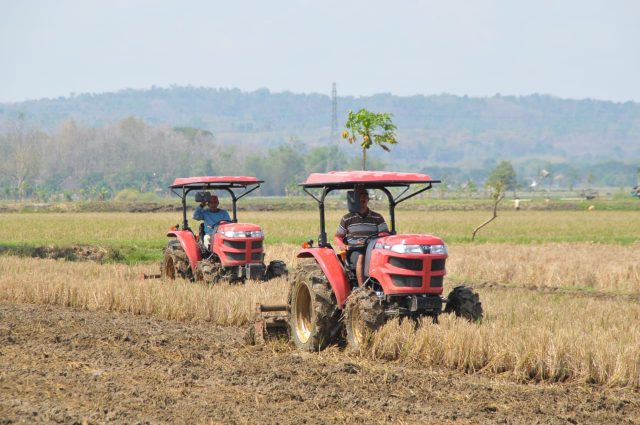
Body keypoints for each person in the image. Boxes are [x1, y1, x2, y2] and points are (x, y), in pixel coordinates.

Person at [334, 188, 389, 286]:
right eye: (359, 196)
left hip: (373, 249)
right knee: (362, 256)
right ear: (355, 200)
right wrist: (342, 245)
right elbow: (338, 237)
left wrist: (373, 241)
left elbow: (384, 234)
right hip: (354, 250)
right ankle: (362, 290)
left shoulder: (377, 217)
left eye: (364, 196)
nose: (362, 199)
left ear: (368, 199)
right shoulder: (347, 218)